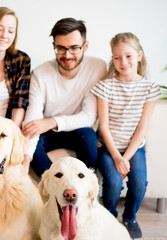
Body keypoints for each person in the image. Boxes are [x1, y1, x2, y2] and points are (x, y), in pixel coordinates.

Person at [91, 32, 161, 239]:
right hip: (107, 147)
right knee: (112, 182)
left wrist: (126, 158)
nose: (123, 62)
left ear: (139, 56)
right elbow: (103, 126)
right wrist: (116, 157)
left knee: (140, 182)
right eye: (117, 57)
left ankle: (130, 218)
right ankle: (109, 216)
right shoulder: (106, 86)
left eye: (128, 56)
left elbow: (142, 127)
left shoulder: (149, 88)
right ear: (112, 59)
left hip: (133, 148)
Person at [22, 18, 107, 177]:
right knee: (34, 148)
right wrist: (25, 158)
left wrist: (52, 122)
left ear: (85, 46)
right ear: (54, 46)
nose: (67, 55)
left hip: (75, 129)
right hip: (47, 133)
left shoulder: (97, 67)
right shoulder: (40, 74)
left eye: (74, 48)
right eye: (61, 48)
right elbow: (33, 120)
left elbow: (88, 117)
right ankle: (56, 185)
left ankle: (80, 187)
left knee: (89, 138)